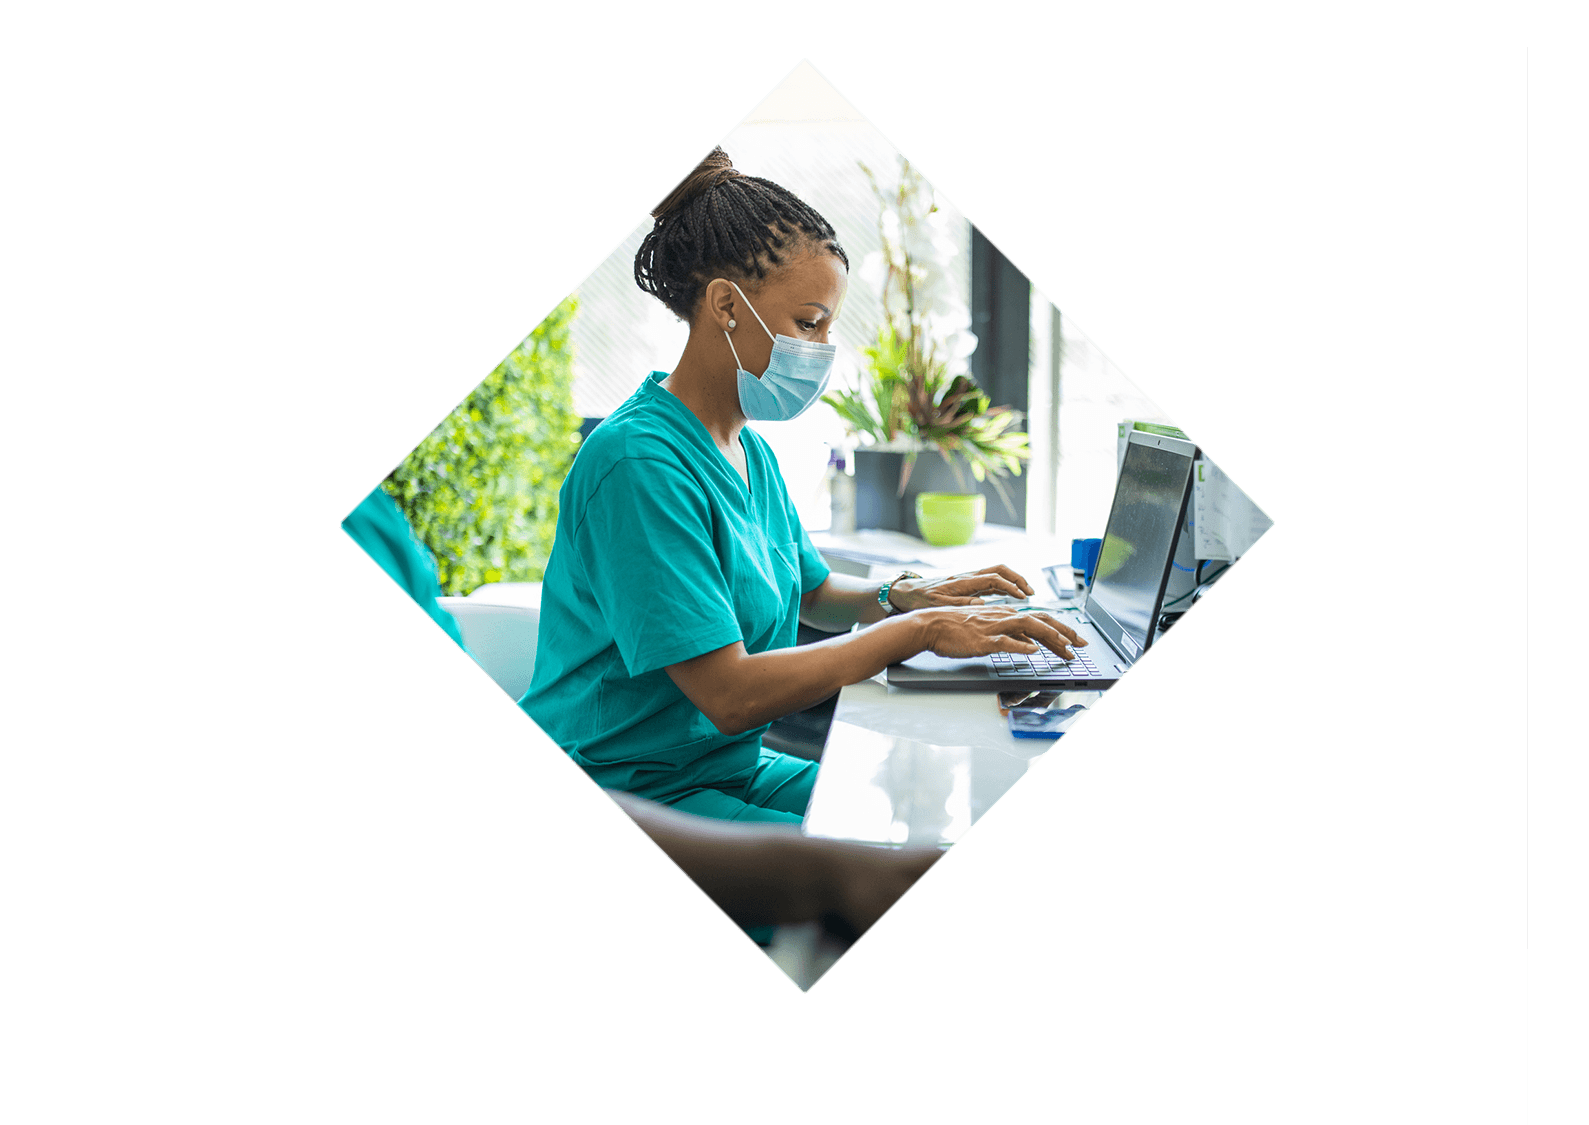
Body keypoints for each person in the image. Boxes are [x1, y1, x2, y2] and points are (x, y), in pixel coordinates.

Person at [519, 148, 1085, 826]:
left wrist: (897, 594)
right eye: (808, 322)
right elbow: (727, 694)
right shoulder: (636, 465)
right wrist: (920, 629)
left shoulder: (745, 449)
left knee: (928, 823)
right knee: (882, 873)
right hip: (632, 795)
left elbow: (813, 591)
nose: (822, 347)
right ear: (725, 305)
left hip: (722, 769)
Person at [604, 790, 942, 943]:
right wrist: (835, 872)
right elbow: (733, 701)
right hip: (645, 781)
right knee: (860, 840)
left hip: (728, 758)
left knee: (881, 812)